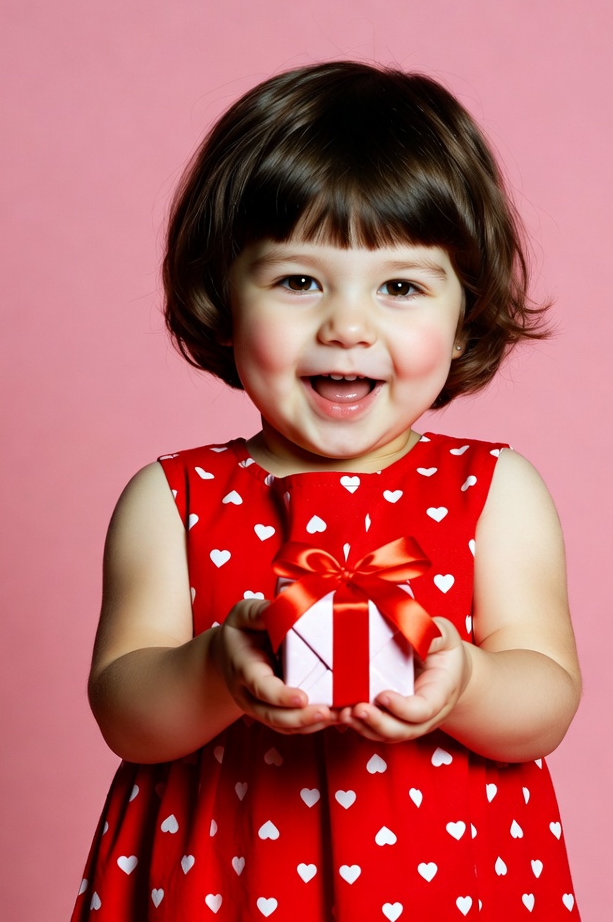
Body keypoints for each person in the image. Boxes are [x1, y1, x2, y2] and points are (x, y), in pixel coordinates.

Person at [71, 61, 581, 921]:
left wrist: (468, 683)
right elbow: (125, 713)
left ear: (467, 314)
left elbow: (546, 702)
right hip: (224, 882)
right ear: (222, 297)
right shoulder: (174, 498)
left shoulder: (492, 491)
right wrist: (213, 674)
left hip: (447, 885)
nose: (347, 324)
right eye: (298, 281)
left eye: (401, 287)